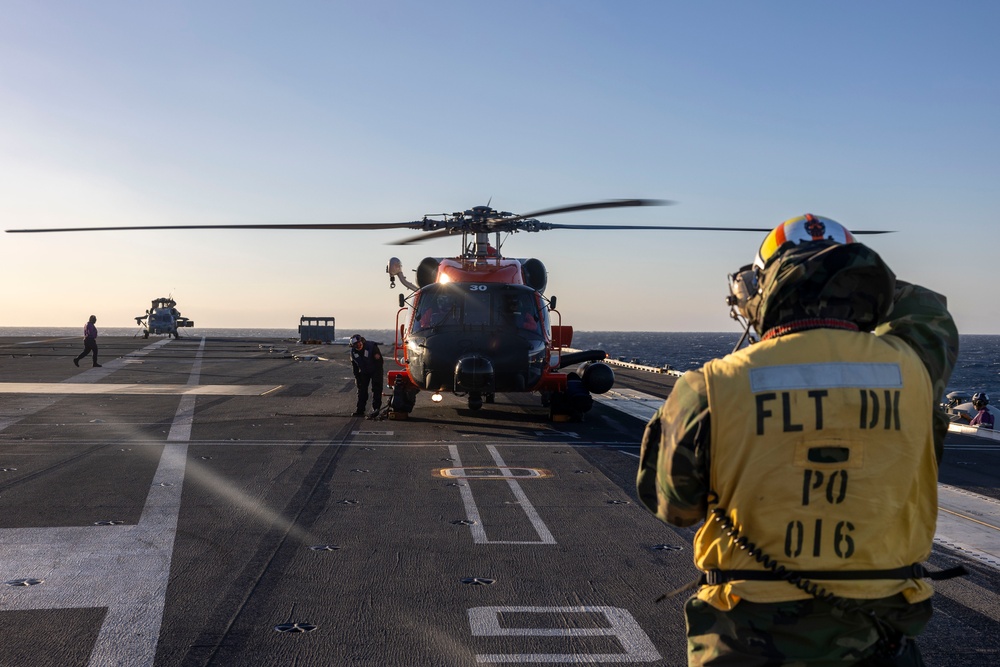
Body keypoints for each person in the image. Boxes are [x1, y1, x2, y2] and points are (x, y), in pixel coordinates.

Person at [637, 214, 962, 666]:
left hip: (746, 637)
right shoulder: (916, 370)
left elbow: (674, 507)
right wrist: (851, 269)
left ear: (758, 291)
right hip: (879, 638)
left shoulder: (711, 386)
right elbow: (928, 315)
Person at [349, 334, 384, 417]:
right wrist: (357, 378)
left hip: (376, 370)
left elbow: (379, 361)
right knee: (362, 390)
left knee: (376, 389)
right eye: (356, 345)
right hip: (364, 371)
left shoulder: (371, 347)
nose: (358, 346)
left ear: (362, 342)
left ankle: (376, 409)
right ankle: (360, 410)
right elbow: (355, 367)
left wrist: (377, 376)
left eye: (359, 344)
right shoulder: (353, 353)